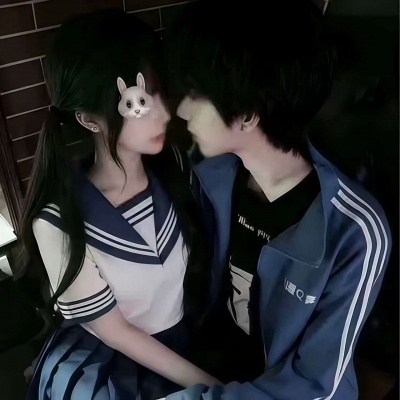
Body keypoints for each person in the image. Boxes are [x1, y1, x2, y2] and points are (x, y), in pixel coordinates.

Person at [164, 0, 392, 399]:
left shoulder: (354, 231)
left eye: (196, 94)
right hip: (212, 371)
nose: (181, 109)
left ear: (248, 112)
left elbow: (313, 385)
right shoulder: (210, 177)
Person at [18, 10, 219, 400]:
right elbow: (118, 333)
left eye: (160, 93)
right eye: (140, 103)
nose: (166, 113)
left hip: (186, 341)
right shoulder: (59, 221)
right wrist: (219, 388)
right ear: (88, 120)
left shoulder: (175, 169)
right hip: (115, 372)